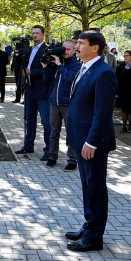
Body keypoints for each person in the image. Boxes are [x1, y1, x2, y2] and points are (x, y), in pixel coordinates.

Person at [64, 31, 117, 252]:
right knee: (87, 186)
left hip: (92, 144)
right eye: (76, 43)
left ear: (94, 48)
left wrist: (92, 143)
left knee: (95, 187)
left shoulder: (103, 73)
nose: (76, 47)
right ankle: (89, 225)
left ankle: (95, 237)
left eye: (80, 43)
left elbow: (102, 112)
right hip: (81, 140)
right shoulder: (85, 68)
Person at [16, 26, 52, 159]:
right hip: (29, 89)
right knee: (29, 119)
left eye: (37, 33)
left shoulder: (47, 50)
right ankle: (28, 145)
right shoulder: (29, 50)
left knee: (46, 121)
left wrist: (32, 72)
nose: (35, 35)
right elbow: (24, 66)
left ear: (43, 34)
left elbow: (48, 70)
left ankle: (49, 150)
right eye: (33, 33)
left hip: (42, 91)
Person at [44, 40, 79, 169]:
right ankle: (52, 156)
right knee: (53, 132)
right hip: (54, 102)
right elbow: (46, 80)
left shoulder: (76, 65)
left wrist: (59, 65)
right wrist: (46, 67)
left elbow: (70, 78)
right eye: (63, 49)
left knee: (71, 132)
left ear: (74, 50)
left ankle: (72, 160)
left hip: (68, 104)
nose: (65, 51)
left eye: (68, 49)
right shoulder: (57, 63)